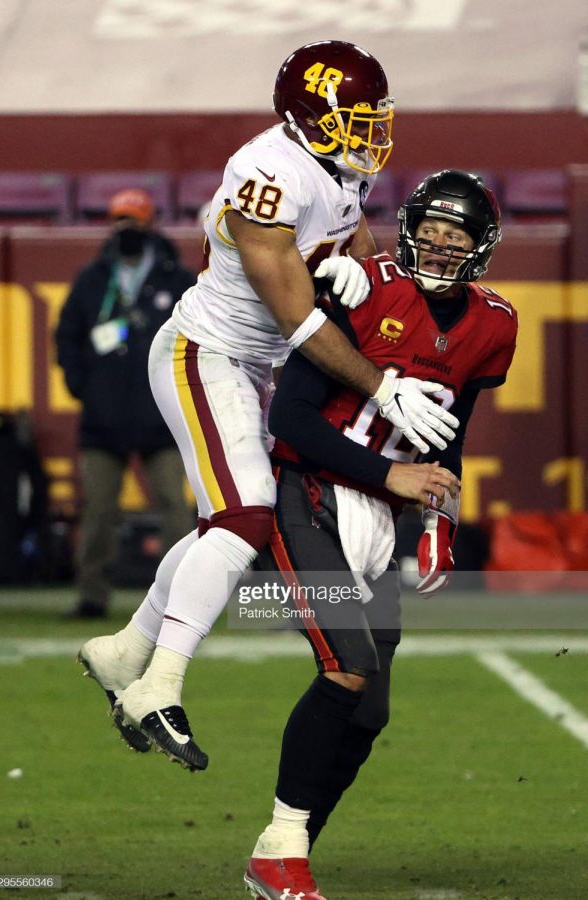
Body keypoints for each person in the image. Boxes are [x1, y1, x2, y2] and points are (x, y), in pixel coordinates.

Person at [78, 41, 459, 764]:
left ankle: (125, 648)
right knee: (246, 513)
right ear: (315, 118)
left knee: (224, 526)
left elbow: (358, 247)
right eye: (359, 118)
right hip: (208, 354)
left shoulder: (333, 168)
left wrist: (363, 274)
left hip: (262, 368)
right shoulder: (267, 175)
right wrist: (381, 383)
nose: (373, 132)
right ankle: (159, 682)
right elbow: (296, 319)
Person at [242, 169, 518, 900]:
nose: (436, 244)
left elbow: (445, 433)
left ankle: (288, 843)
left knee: (369, 708)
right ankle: (279, 855)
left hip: (380, 520)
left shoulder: (494, 323)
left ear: (480, 247)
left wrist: (440, 517)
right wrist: (389, 477)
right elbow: (291, 421)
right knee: (348, 663)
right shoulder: (360, 286)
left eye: (454, 236)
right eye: (427, 229)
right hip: (311, 496)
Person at [56, 188, 197, 619]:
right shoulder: (93, 278)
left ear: (150, 224)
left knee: (176, 508)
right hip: (104, 418)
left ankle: (186, 596)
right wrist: (84, 386)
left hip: (162, 415)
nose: (127, 230)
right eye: (120, 221)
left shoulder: (176, 277)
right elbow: (67, 336)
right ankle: (92, 595)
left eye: (134, 221)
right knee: (98, 511)